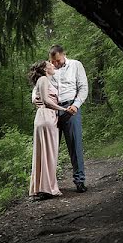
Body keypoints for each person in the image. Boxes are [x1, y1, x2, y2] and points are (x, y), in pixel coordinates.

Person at [48, 44, 89, 192]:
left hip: (71, 108)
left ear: (63, 54)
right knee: (51, 148)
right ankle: (49, 186)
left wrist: (76, 105)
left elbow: (83, 87)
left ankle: (79, 181)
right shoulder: (49, 70)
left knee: (75, 145)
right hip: (52, 110)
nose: (56, 64)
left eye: (57, 61)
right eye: (53, 62)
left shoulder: (76, 65)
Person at [28, 60, 69, 200]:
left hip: (43, 116)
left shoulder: (42, 80)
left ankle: (41, 188)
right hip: (47, 116)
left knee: (43, 153)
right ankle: (47, 189)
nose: (52, 65)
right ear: (45, 69)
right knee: (49, 153)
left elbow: (38, 97)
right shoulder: (44, 79)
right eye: (49, 64)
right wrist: (64, 109)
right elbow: (46, 100)